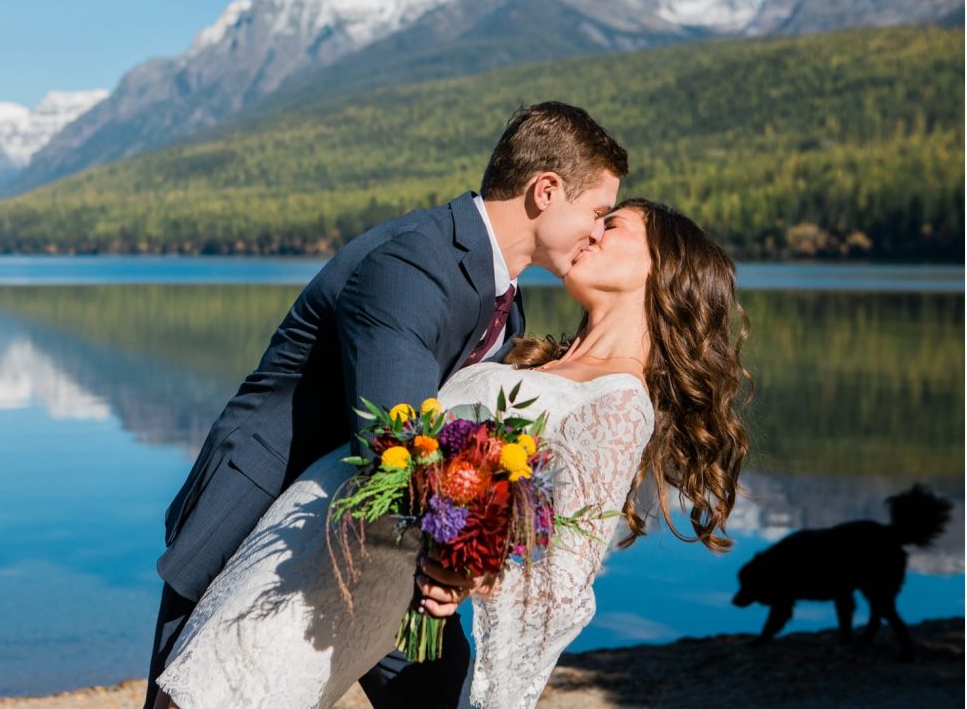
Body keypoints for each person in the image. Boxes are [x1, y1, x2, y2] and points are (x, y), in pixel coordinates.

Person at [153, 197, 752, 708]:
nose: (592, 230)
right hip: (300, 538)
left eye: (612, 224)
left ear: (659, 269)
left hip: (349, 581)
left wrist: (471, 570)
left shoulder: (620, 403)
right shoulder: (538, 355)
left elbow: (561, 576)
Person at [144, 102, 629, 709]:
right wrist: (460, 553)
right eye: (597, 212)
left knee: (438, 683)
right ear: (546, 191)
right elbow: (398, 438)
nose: (597, 232)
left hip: (376, 537)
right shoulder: (414, 263)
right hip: (261, 515)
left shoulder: (505, 301)